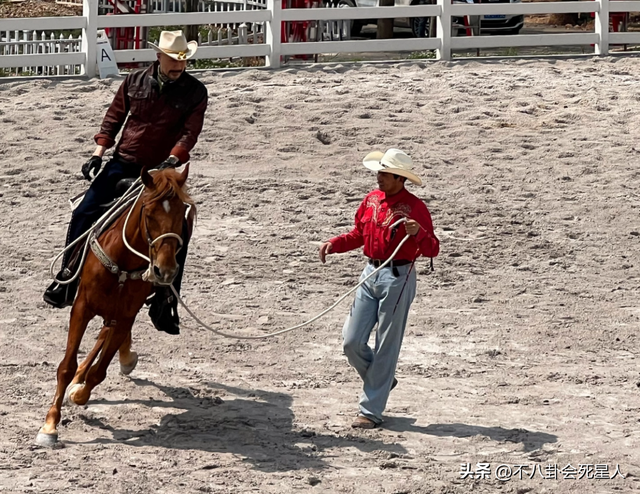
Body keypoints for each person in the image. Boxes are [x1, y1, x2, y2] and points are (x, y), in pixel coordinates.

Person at [43, 30, 208, 336]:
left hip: (162, 171)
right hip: (123, 162)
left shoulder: (196, 92)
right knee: (83, 212)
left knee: (179, 226)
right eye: (173, 60)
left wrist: (173, 159)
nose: (179, 66)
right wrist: (98, 153)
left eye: (183, 61)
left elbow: (190, 132)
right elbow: (114, 118)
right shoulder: (134, 81)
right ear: (158, 57)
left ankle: (165, 300)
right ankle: (67, 275)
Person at [319, 148, 440, 429]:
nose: (379, 177)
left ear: (400, 178)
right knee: (351, 341)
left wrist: (418, 233)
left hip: (398, 277)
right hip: (370, 272)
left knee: (386, 344)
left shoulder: (416, 208)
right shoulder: (371, 200)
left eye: (385, 173)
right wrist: (335, 244)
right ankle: (383, 380)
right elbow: (359, 235)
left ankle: (370, 411)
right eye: (379, 172)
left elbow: (432, 248)